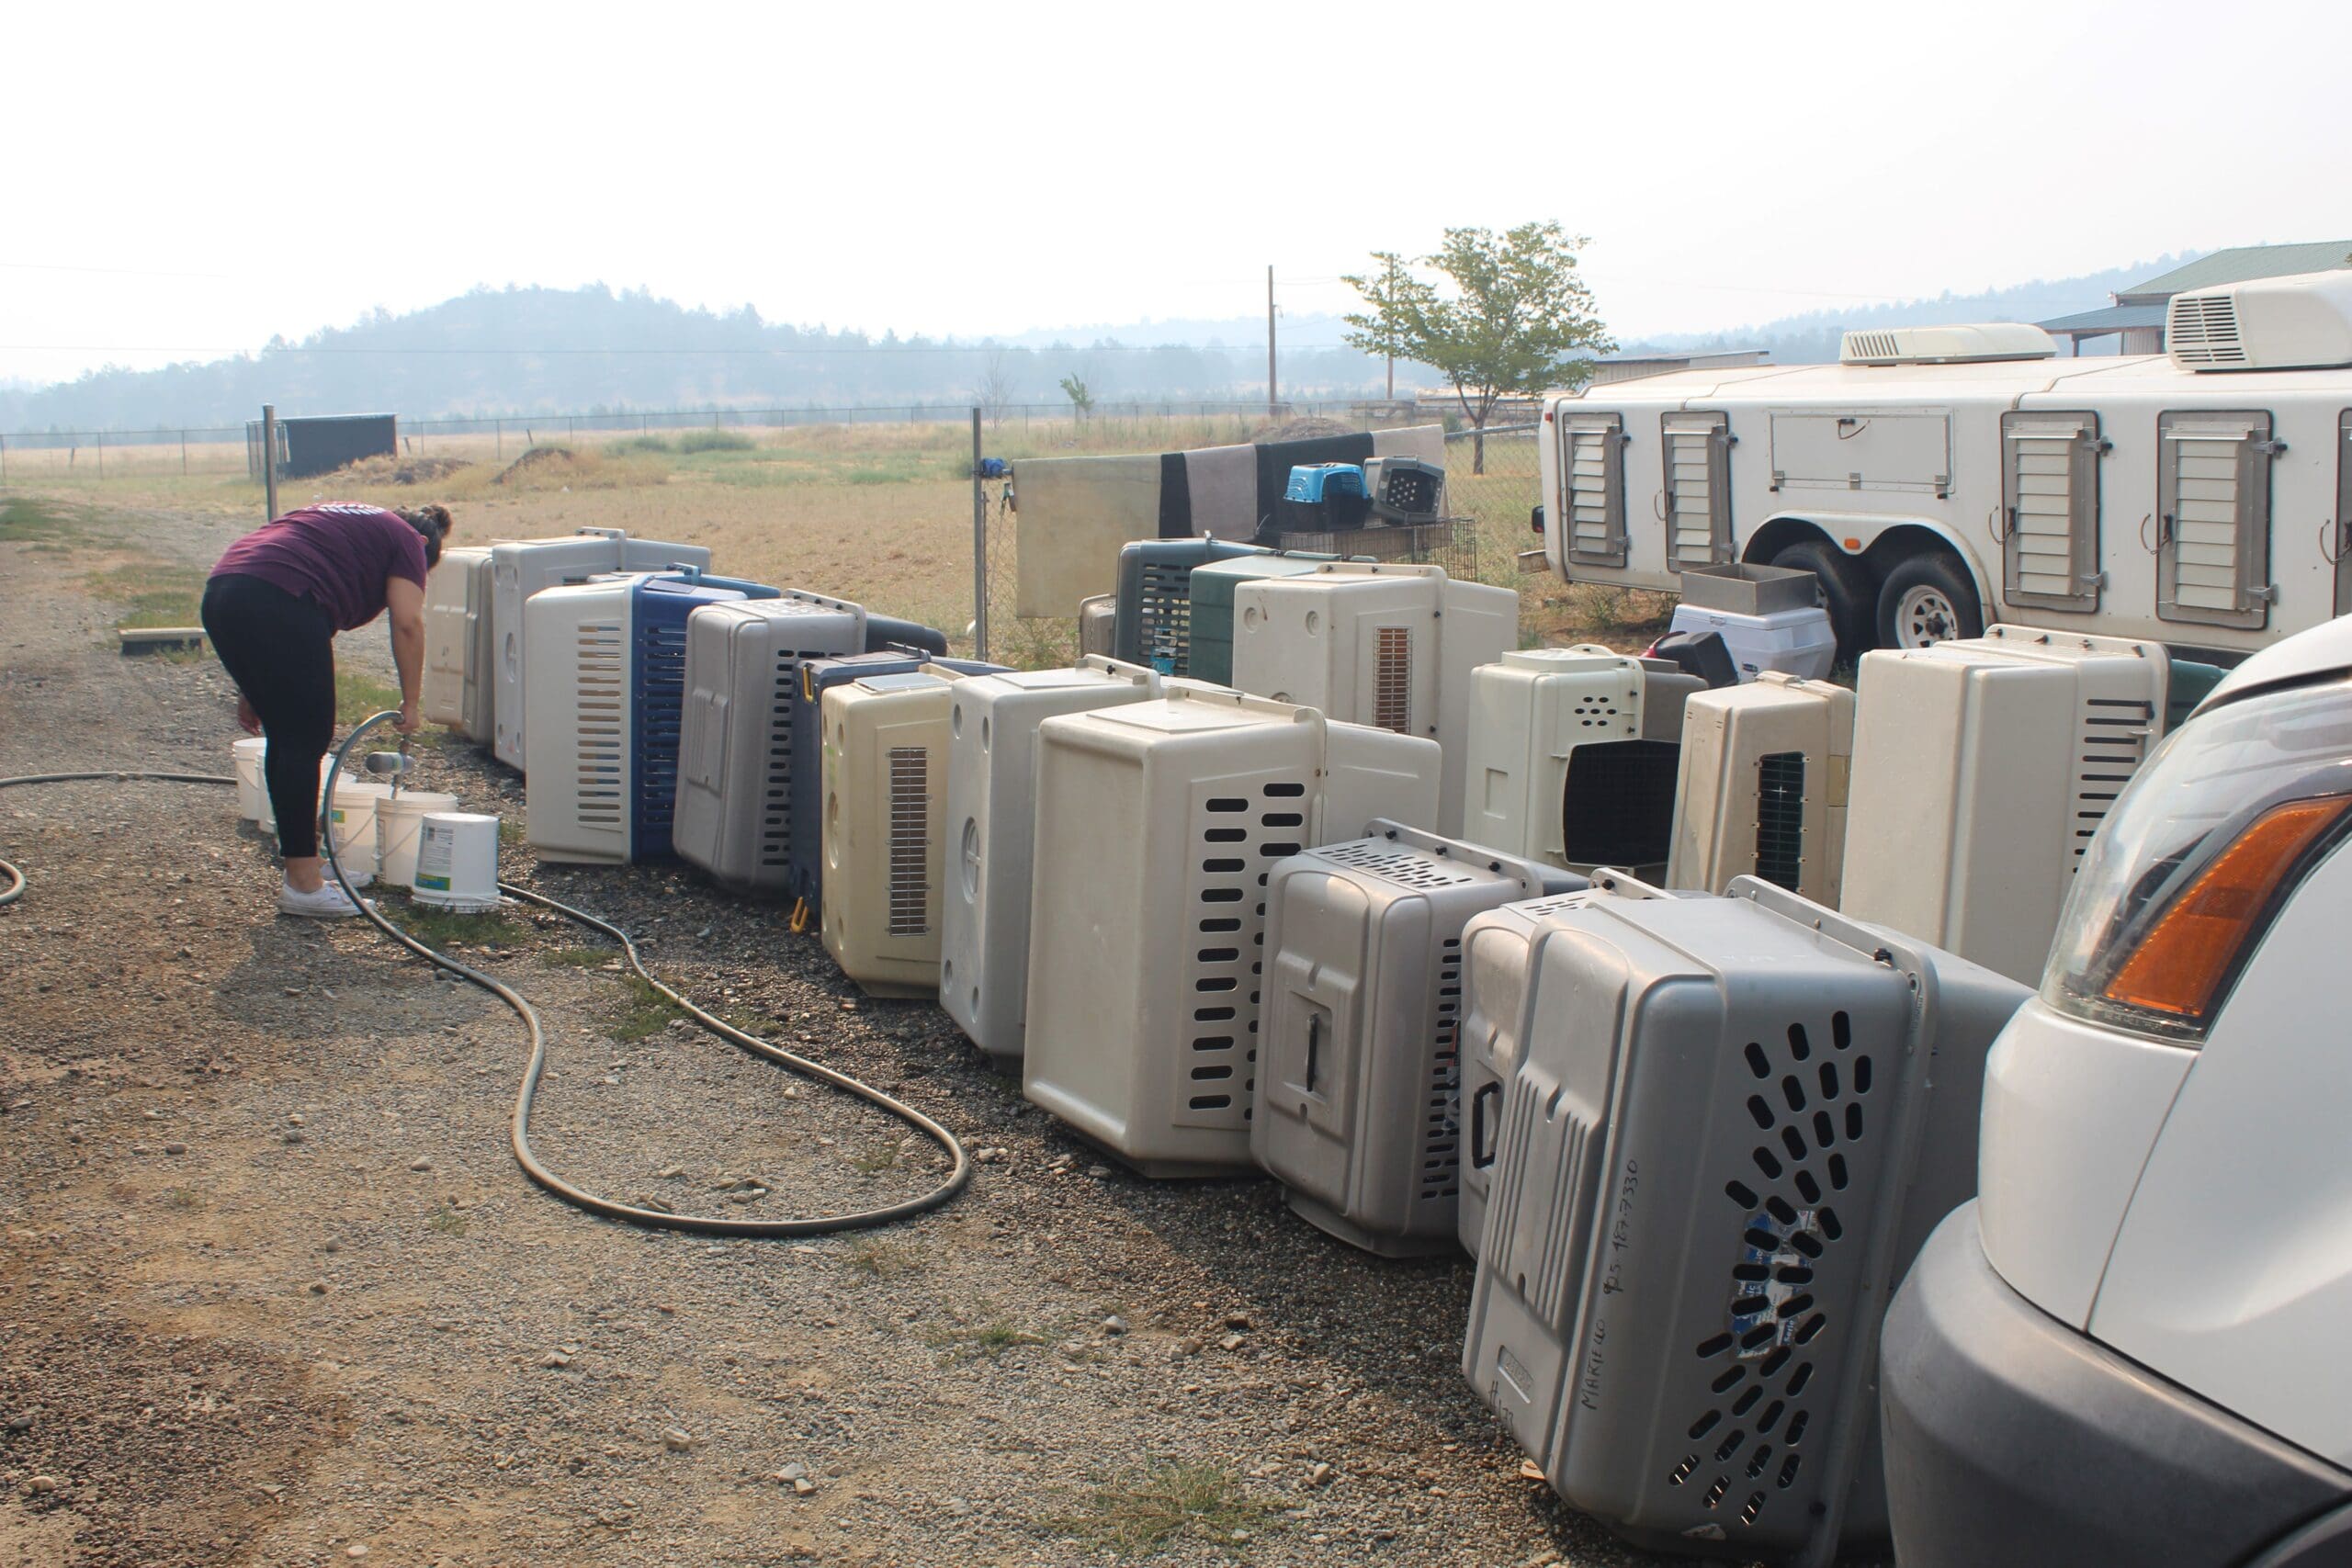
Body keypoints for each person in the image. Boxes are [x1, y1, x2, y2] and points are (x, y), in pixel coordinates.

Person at [200, 502, 452, 919]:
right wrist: (410, 702)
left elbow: (280, 575)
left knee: (288, 737)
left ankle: (307, 864)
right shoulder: (409, 540)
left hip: (223, 592)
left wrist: (253, 684)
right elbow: (408, 622)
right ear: (423, 547)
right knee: (304, 740)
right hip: (275, 599)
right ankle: (303, 885)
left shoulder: (350, 522)